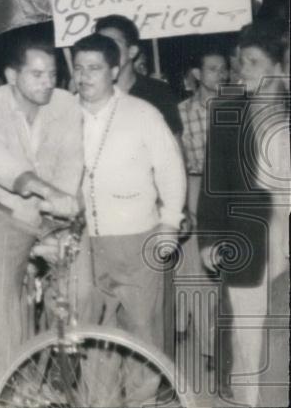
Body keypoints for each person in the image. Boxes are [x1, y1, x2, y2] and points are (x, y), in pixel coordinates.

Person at [71, 34, 185, 387]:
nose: (84, 76)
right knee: (93, 336)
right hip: (86, 242)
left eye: (94, 68)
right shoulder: (64, 114)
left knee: (143, 333)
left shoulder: (142, 113)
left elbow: (171, 169)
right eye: (78, 68)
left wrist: (169, 225)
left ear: (115, 69)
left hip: (138, 240)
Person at [0, 39, 84, 381]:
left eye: (52, 73)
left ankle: (64, 371)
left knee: (74, 290)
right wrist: (42, 189)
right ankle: (1, 379)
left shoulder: (66, 103)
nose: (47, 81)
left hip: (56, 213)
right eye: (36, 74)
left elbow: (72, 159)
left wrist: (58, 210)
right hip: (8, 211)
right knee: (0, 289)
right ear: (11, 75)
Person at [199, 21, 290, 408]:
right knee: (247, 328)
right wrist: (209, 238)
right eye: (241, 62)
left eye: (254, 62)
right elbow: (213, 181)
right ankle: (249, 401)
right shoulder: (228, 111)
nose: (243, 70)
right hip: (247, 237)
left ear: (277, 68)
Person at [175, 49, 229, 353]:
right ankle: (209, 347)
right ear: (197, 74)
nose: (221, 75)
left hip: (230, 190)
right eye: (212, 69)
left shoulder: (237, 107)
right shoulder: (181, 112)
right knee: (199, 269)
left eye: (224, 69)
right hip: (196, 186)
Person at [94, 15, 183, 135]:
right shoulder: (91, 93)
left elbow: (174, 148)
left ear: (132, 51)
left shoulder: (158, 92)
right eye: (100, 44)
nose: (105, 50)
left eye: (113, 43)